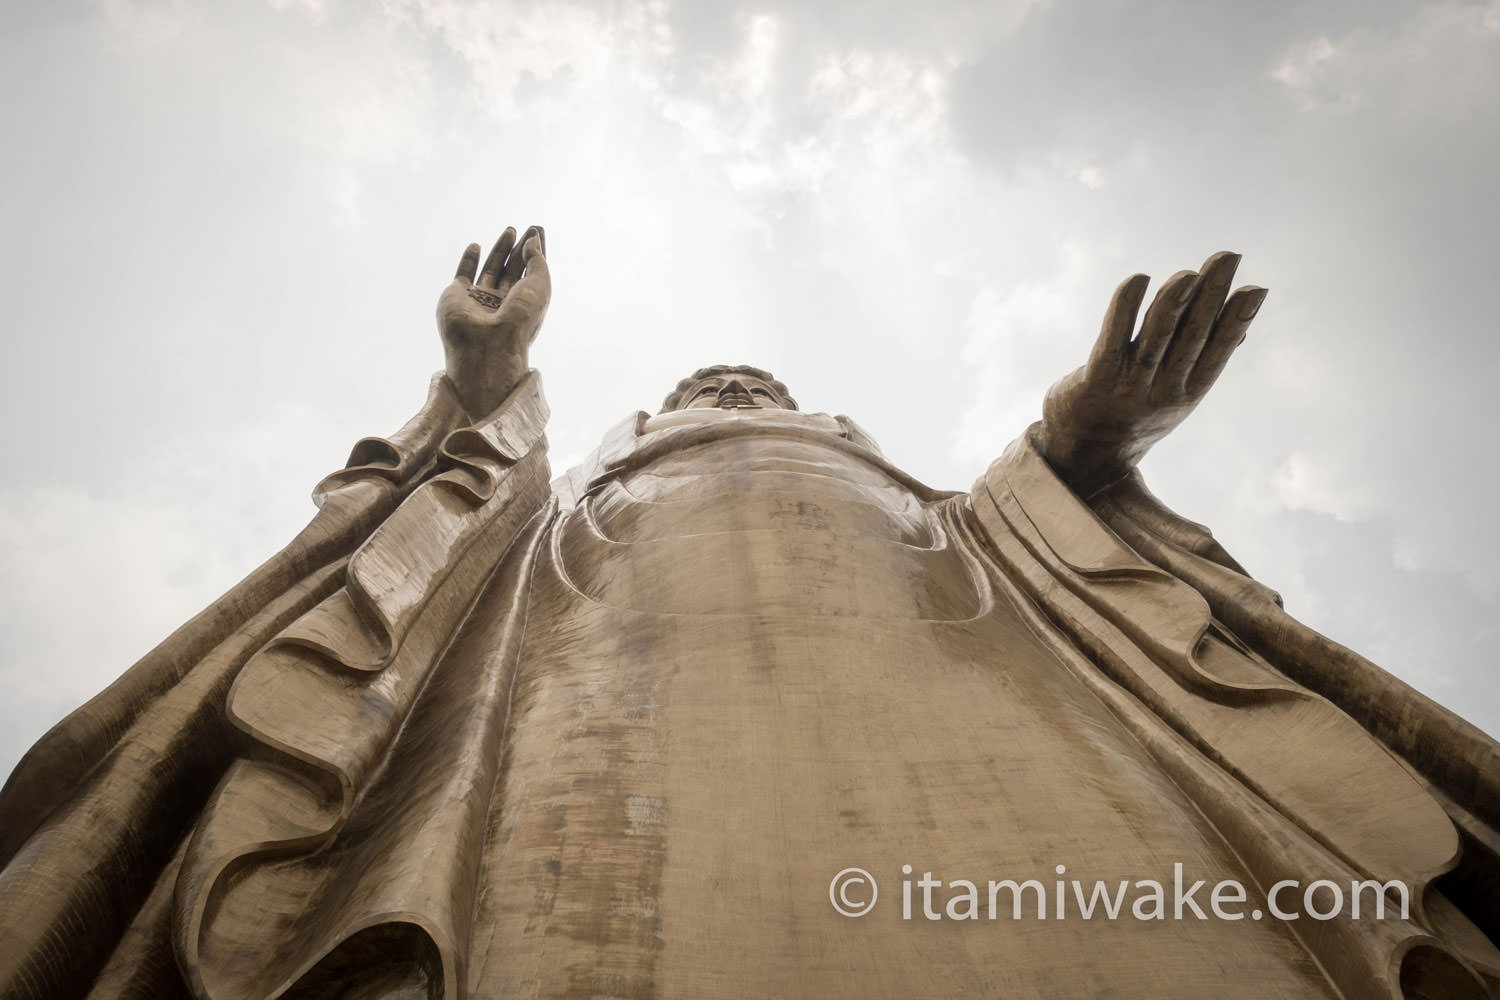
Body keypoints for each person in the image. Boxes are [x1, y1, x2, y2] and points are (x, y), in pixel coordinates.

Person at [1, 227, 1496, 999]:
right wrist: (476, 396)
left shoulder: (940, 509)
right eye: (710, 387)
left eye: (759, 387)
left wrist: (1088, 442)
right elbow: (440, 539)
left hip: (978, 703)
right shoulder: (569, 504)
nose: (737, 392)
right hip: (595, 711)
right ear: (650, 416)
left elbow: (1043, 546)